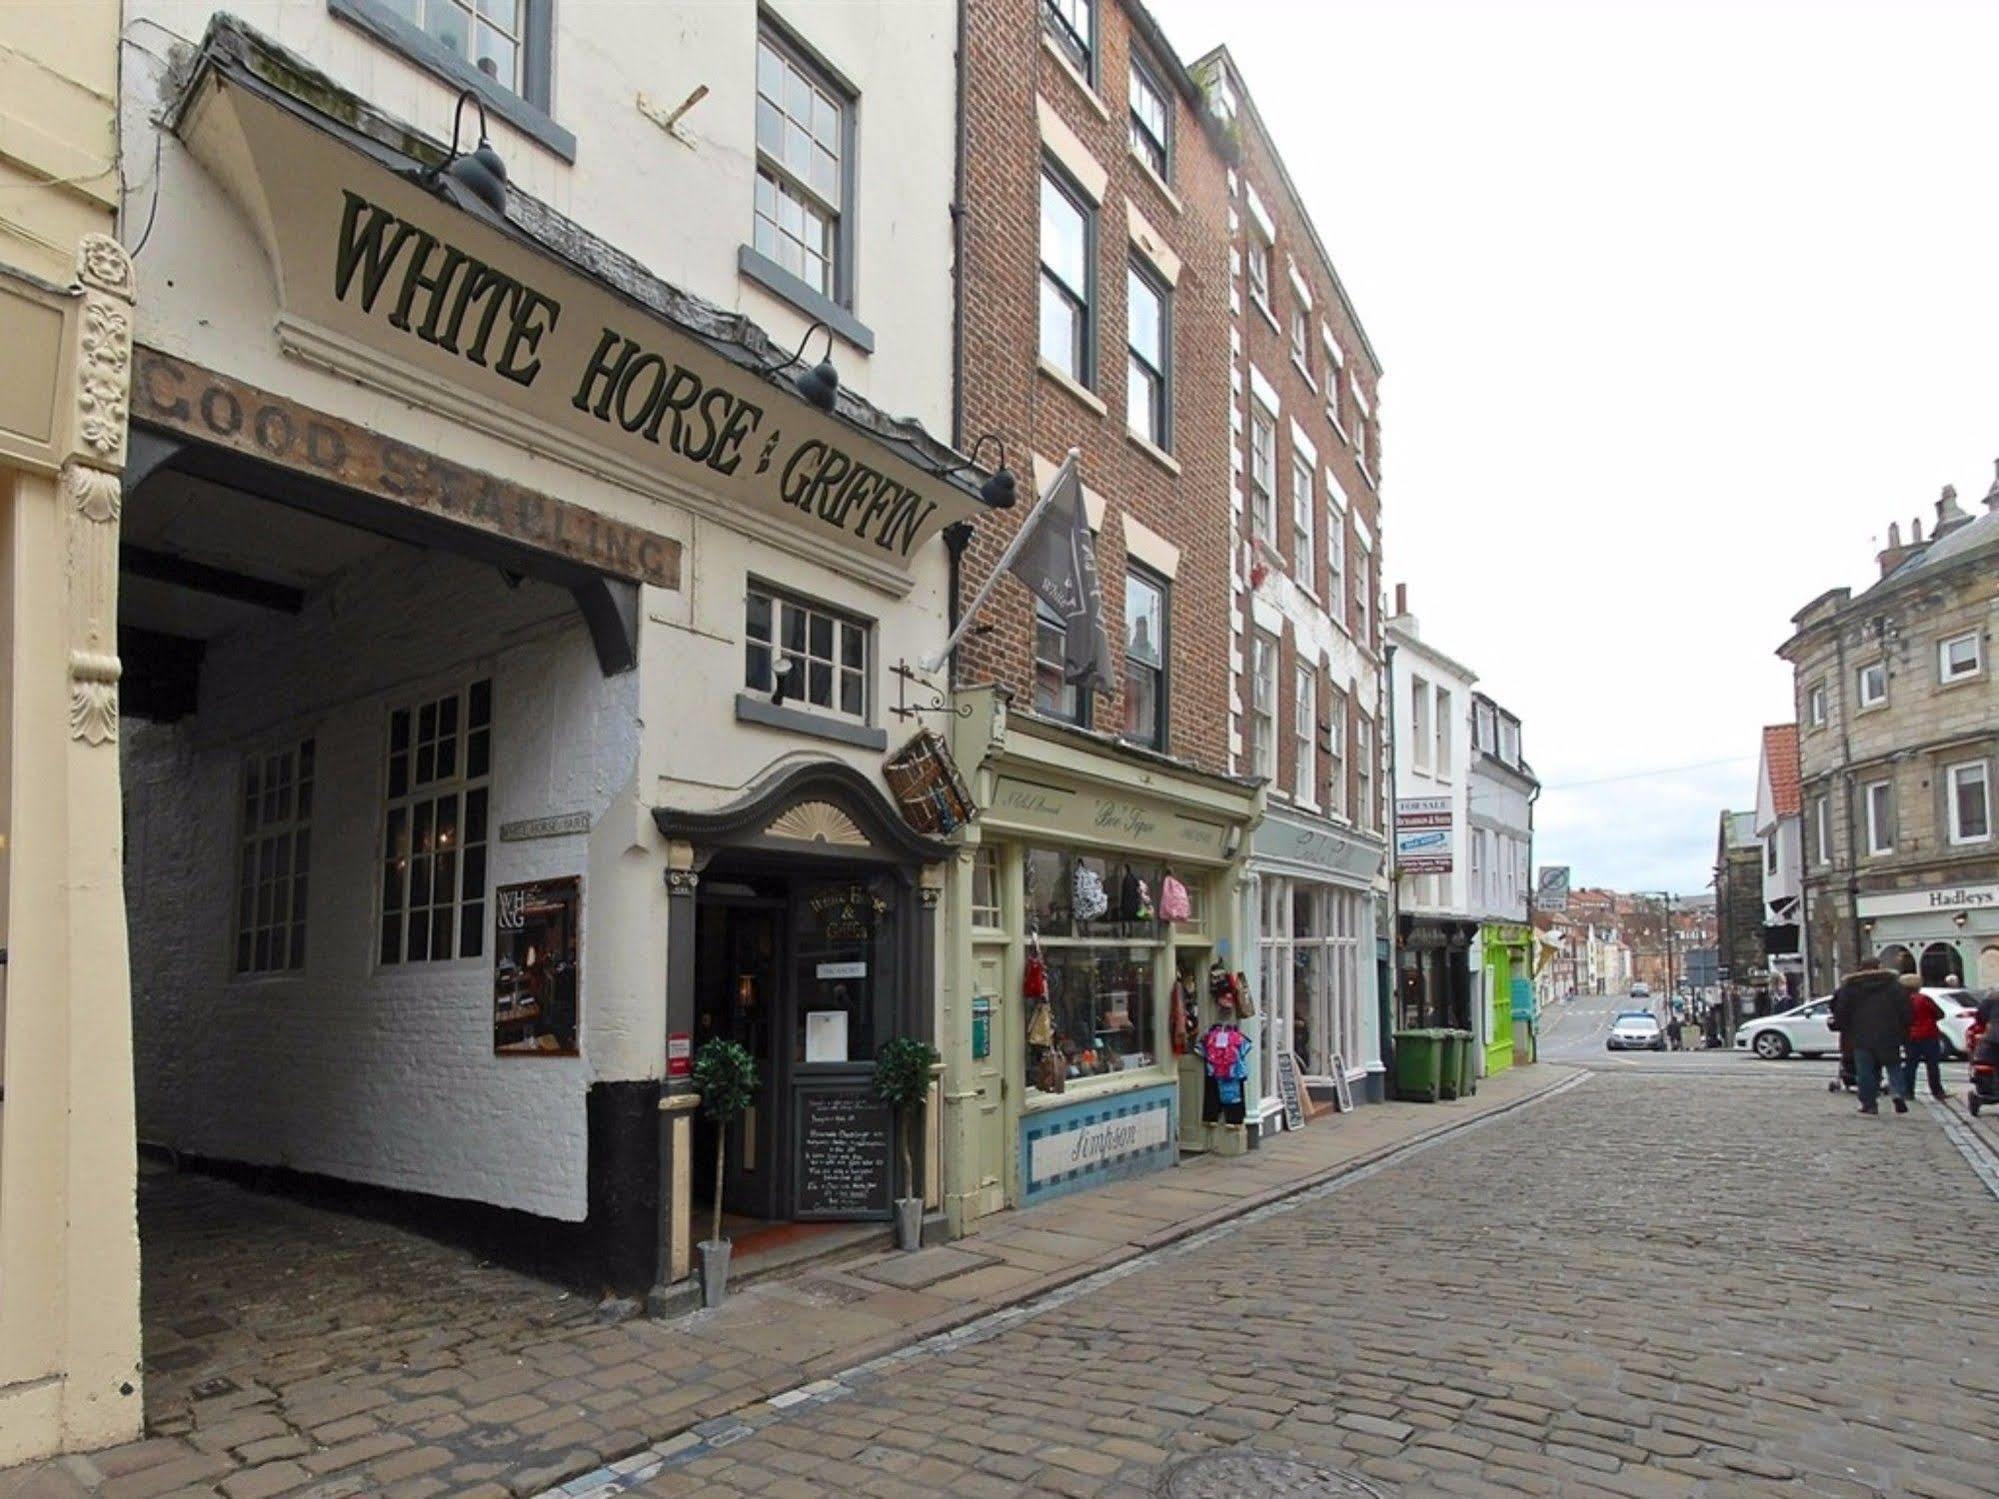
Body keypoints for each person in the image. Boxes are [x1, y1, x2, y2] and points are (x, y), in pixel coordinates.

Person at [1830, 957, 1911, 1114]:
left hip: (1861, 1035)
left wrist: (1843, 1027)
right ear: (1879, 967)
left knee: (1865, 1071)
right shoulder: (1893, 986)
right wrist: (1903, 1029)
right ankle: (1897, 1093)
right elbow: (1905, 1010)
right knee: (1893, 1066)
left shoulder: (1851, 987)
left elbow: (1841, 1010)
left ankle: (1869, 1103)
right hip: (1889, 1034)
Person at [1902, 979, 1948, 1103]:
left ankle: (1908, 1091)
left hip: (1910, 1036)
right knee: (1932, 1065)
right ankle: (1937, 1091)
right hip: (1928, 1034)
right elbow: (1939, 1013)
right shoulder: (1923, 999)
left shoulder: (1901, 1001)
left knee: (1911, 1065)